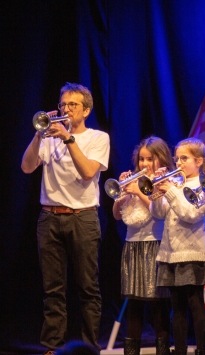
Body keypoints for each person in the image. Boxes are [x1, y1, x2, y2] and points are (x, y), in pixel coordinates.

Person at [21, 83, 110, 354]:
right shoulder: (48, 137)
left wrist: (69, 140)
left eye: (72, 105)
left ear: (86, 109)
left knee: (87, 288)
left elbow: (87, 172)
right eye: (63, 104)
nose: (65, 109)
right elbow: (26, 167)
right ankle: (52, 347)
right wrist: (39, 135)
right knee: (53, 289)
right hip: (49, 218)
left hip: (82, 218)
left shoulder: (98, 137)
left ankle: (88, 347)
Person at [150, 138, 205, 355]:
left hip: (193, 253)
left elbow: (191, 214)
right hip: (170, 253)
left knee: (195, 304)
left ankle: (202, 350)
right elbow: (158, 214)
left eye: (184, 158)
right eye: (177, 158)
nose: (178, 163)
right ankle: (180, 350)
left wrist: (169, 190)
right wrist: (157, 193)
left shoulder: (203, 184)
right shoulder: (175, 183)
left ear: (199, 161)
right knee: (176, 307)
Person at [111, 136, 173, 355]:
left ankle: (163, 349)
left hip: (154, 245)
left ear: (161, 159)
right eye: (141, 159)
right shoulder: (133, 180)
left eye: (150, 159)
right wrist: (121, 194)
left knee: (158, 305)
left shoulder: (165, 181)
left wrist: (138, 191)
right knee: (134, 305)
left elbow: (159, 212)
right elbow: (117, 216)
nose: (144, 164)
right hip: (132, 246)